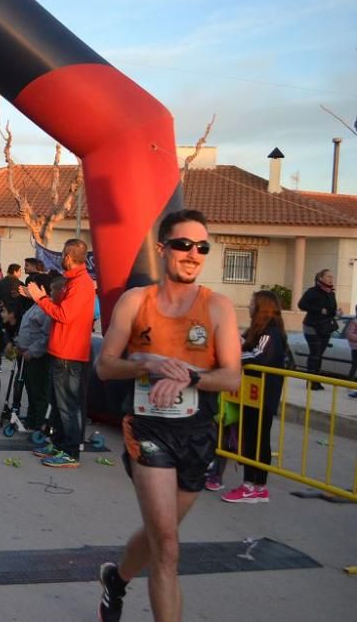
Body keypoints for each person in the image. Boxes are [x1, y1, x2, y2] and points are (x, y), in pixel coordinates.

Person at [94, 209, 241, 622]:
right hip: (148, 428)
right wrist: (149, 366)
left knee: (162, 535)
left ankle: (116, 579)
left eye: (202, 247)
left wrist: (191, 377)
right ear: (162, 249)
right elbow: (104, 366)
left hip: (196, 432)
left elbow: (231, 376)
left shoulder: (218, 308)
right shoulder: (135, 302)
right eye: (183, 244)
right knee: (169, 546)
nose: (194, 253)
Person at [26, 239, 96, 469]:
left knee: (67, 405)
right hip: (62, 350)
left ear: (67, 256)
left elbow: (64, 315)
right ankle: (57, 444)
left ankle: (71, 451)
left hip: (70, 353)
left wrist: (41, 298)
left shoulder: (81, 284)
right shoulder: (72, 282)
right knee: (57, 403)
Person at [214, 290, 287, 503]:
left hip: (263, 395)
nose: (249, 306)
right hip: (249, 394)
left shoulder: (271, 332)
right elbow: (242, 346)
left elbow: (259, 357)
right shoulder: (256, 331)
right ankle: (250, 485)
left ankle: (256, 486)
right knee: (249, 439)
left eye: (252, 302)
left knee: (259, 439)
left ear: (262, 306)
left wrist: (234, 357)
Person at [15, 274, 56, 429]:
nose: (27, 290)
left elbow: (46, 336)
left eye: (31, 287)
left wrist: (32, 351)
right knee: (31, 389)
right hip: (26, 355)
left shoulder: (46, 308)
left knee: (39, 391)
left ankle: (39, 424)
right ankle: (32, 420)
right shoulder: (34, 305)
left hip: (37, 356)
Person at [298, 269, 339, 390]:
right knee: (315, 353)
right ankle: (311, 382)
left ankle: (316, 381)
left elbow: (331, 309)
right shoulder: (312, 291)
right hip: (311, 326)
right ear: (320, 278)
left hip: (325, 327)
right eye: (328, 276)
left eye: (332, 277)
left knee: (319, 355)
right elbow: (301, 305)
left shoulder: (331, 293)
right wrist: (318, 309)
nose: (331, 279)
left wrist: (336, 312)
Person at [347, 310, 357, 398]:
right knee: (354, 365)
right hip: (355, 348)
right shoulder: (354, 321)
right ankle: (349, 383)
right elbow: (350, 334)